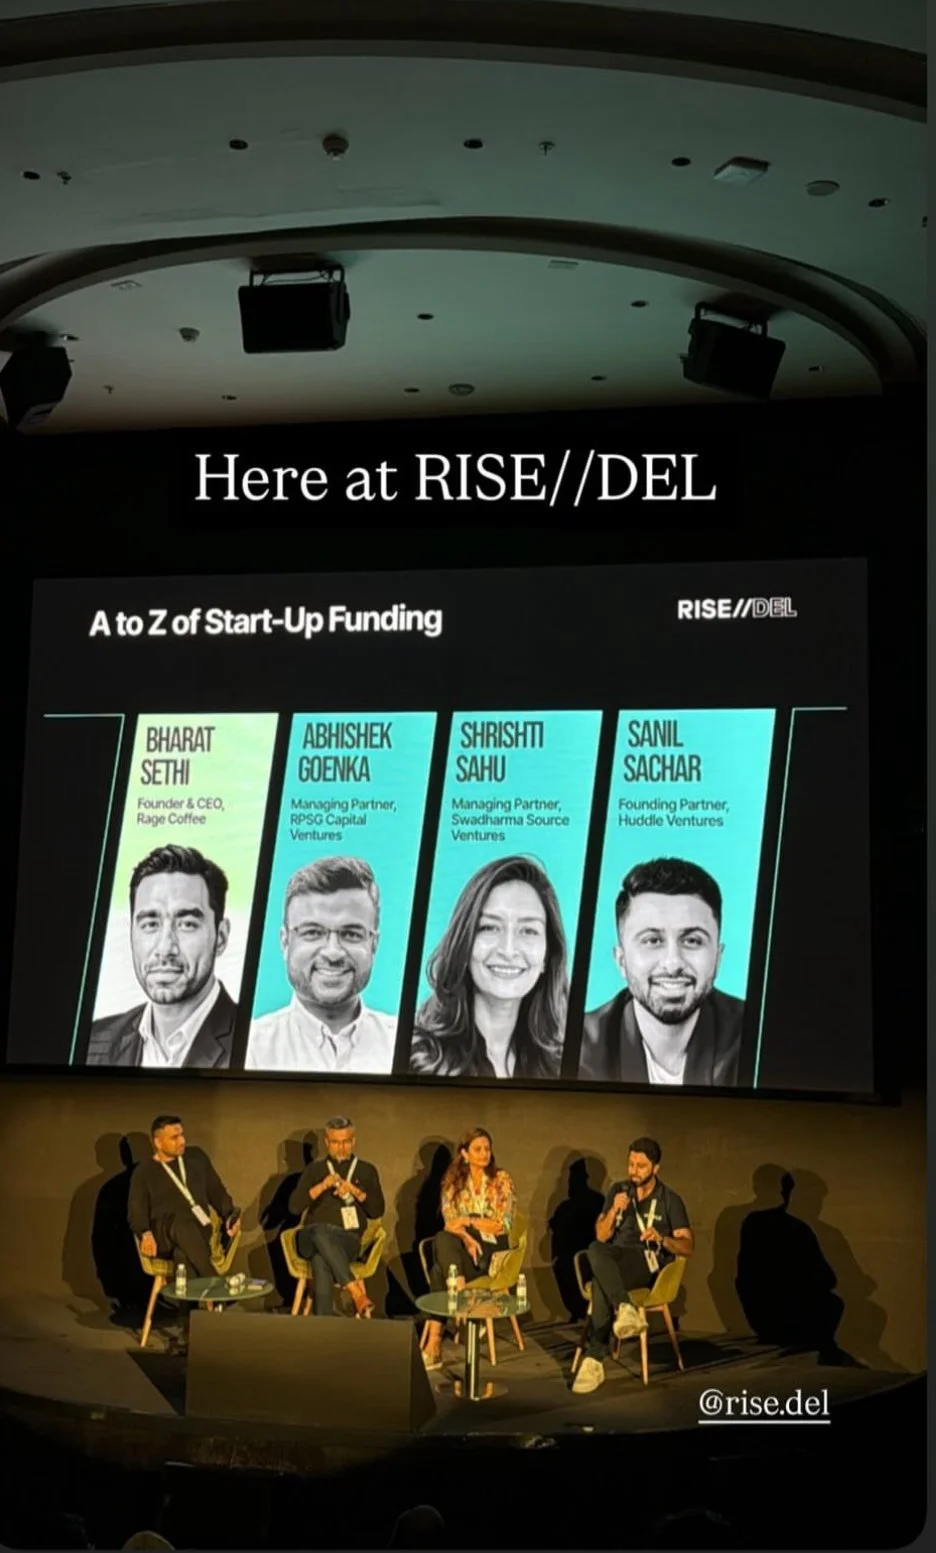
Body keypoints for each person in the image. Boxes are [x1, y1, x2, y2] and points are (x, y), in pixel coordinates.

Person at [579, 857, 743, 1086]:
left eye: (692, 941)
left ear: (718, 957)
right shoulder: (578, 1046)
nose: (673, 963)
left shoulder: (757, 1036)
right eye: (652, 940)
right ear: (621, 960)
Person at [409, 856, 568, 1080]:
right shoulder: (413, 1056)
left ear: (547, 956)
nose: (508, 950)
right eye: (490, 927)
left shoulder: (564, 1065)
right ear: (464, 943)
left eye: (528, 931)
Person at [87, 846, 236, 1069]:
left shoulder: (255, 1041)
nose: (165, 948)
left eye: (187, 924)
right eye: (150, 924)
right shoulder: (94, 1041)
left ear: (221, 937)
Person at [246, 857, 397, 1073]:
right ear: (285, 942)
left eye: (351, 934)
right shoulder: (250, 1048)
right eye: (313, 932)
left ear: (374, 944)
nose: (333, 953)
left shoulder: (409, 1043)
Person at [572, 1136, 693, 1394]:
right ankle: (623, 1308)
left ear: (655, 1168)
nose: (634, 1171)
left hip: (648, 1263)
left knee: (602, 1278)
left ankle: (594, 1358)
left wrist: (662, 1239)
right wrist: (614, 1211)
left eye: (641, 1166)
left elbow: (688, 1246)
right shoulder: (618, 1191)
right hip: (616, 1259)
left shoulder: (669, 1199)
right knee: (596, 1250)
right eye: (631, 1164)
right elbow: (601, 1236)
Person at [420, 1127, 517, 1370]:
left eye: (487, 1149)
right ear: (464, 1153)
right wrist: (466, 1237)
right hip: (465, 1250)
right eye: (478, 1149)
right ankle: (461, 1298)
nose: (484, 1154)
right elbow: (449, 1223)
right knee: (443, 1244)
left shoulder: (501, 1179)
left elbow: (501, 1224)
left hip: (492, 1250)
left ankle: (434, 1344)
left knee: (441, 1266)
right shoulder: (453, 1183)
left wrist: (468, 1222)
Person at [289, 1116, 385, 1316]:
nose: (341, 1148)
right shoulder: (314, 1170)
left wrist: (355, 1191)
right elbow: (294, 1207)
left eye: (346, 1142)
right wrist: (322, 1186)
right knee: (320, 1231)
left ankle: (323, 1325)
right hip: (310, 1238)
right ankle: (356, 1293)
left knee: (320, 1260)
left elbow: (377, 1211)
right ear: (327, 1142)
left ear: (353, 1141)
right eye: (335, 1142)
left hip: (347, 1241)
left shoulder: (366, 1170)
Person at [128, 1115, 240, 1277]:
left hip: (198, 1230)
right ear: (158, 1142)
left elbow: (216, 1190)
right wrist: (144, 1232)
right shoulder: (143, 1172)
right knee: (180, 1222)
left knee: (182, 1255)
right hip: (163, 1234)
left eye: (182, 1135)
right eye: (174, 1138)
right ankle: (215, 1282)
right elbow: (136, 1210)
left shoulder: (196, 1157)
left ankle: (201, 1292)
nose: (182, 1141)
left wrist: (229, 1215)